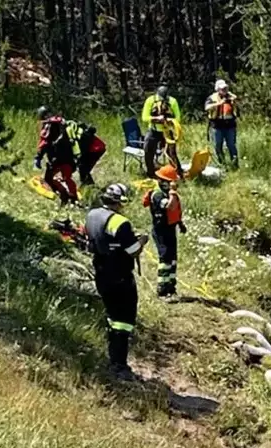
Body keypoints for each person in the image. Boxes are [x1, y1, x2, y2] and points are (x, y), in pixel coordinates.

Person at [85, 183, 148, 381]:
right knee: (124, 321)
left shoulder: (92, 214)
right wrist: (142, 241)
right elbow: (133, 250)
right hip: (120, 276)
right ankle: (119, 364)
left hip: (101, 272)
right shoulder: (120, 222)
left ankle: (112, 356)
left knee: (112, 316)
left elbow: (101, 238)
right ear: (120, 201)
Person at [143, 164, 186, 298]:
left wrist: (180, 223)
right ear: (161, 180)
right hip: (160, 230)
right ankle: (162, 288)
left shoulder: (168, 193)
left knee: (172, 258)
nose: (171, 184)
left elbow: (175, 212)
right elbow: (170, 206)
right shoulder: (157, 194)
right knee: (165, 257)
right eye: (169, 181)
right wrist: (173, 192)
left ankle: (171, 286)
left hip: (170, 228)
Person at [34, 106, 79, 206]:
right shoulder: (62, 123)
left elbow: (44, 142)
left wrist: (38, 157)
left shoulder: (49, 125)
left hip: (56, 158)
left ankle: (64, 196)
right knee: (67, 178)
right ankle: (74, 199)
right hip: (68, 156)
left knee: (48, 179)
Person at [141, 85, 183, 179]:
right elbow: (144, 117)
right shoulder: (150, 101)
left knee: (171, 153)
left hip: (168, 131)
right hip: (154, 130)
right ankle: (150, 173)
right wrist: (156, 118)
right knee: (148, 151)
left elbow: (178, 118)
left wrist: (169, 120)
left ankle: (178, 173)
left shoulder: (172, 101)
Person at [205, 79, 239, 168]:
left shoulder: (231, 97)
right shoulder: (212, 98)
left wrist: (233, 100)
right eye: (222, 88)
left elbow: (238, 103)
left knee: (231, 145)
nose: (224, 90)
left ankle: (235, 164)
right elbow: (207, 107)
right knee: (217, 145)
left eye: (225, 88)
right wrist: (219, 104)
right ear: (217, 89)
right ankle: (221, 164)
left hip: (230, 125)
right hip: (217, 126)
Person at [65, 119, 106, 186]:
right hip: (93, 148)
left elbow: (82, 150)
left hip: (96, 149)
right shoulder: (77, 131)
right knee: (82, 167)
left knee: (83, 168)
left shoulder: (81, 136)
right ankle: (86, 184)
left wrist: (76, 162)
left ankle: (89, 186)